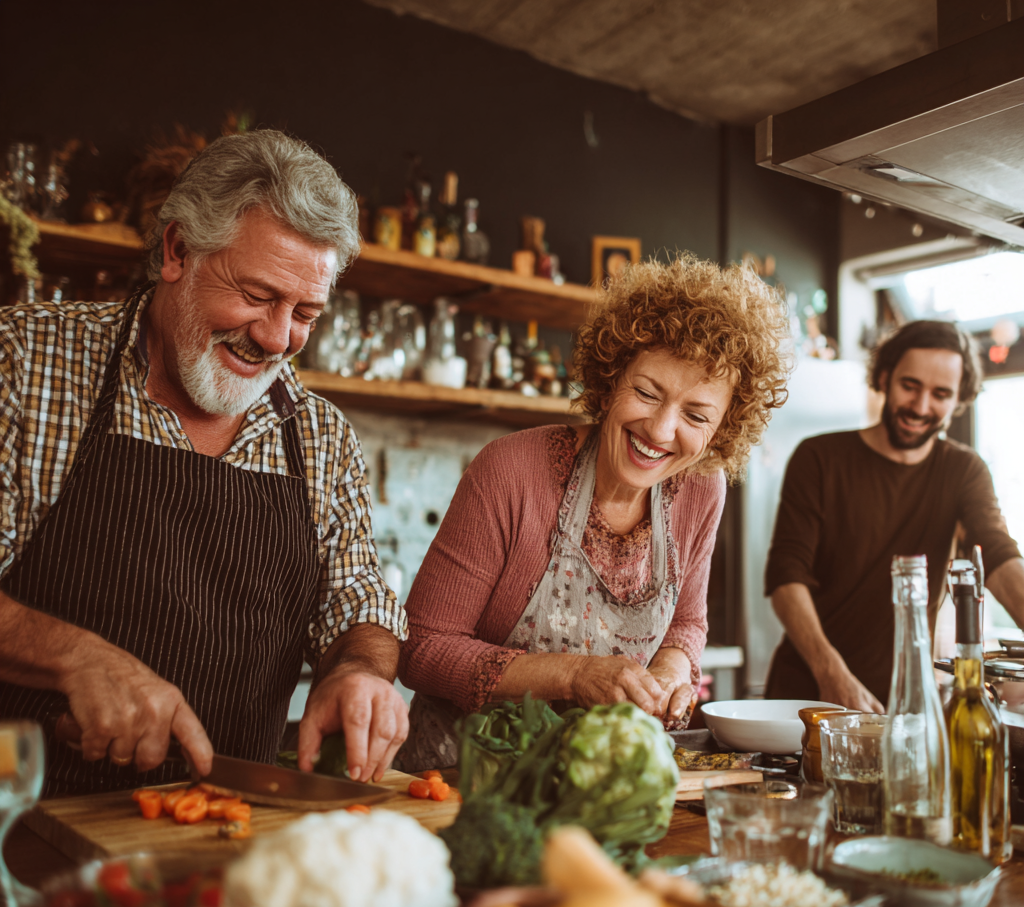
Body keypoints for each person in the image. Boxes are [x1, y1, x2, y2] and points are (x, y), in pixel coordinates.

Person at [0, 130, 408, 795]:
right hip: (23, 827)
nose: (277, 338)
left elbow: (358, 599)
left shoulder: (320, 435)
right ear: (177, 250)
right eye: (256, 295)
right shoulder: (24, 363)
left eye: (306, 312)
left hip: (226, 835)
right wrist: (75, 659)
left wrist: (360, 672)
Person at [395, 256, 790, 771]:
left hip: (602, 785)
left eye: (696, 415)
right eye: (647, 393)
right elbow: (422, 650)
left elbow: (687, 624)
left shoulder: (701, 488)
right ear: (610, 378)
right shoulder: (512, 470)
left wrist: (673, 670)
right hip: (460, 783)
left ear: (724, 428)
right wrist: (573, 674)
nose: (661, 430)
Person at [765, 320, 1024, 712]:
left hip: (905, 703)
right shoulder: (819, 458)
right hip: (806, 696)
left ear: (959, 400)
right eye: (910, 385)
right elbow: (786, 576)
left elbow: (998, 554)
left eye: (940, 394)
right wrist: (831, 674)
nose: (921, 407)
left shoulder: (964, 471)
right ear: (884, 377)